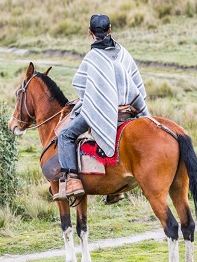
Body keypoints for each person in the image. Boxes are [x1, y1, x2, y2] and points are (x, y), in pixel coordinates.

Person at [55, 14, 150, 202]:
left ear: (90, 33)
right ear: (110, 30)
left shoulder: (92, 58)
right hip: (128, 110)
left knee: (65, 135)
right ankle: (115, 189)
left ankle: (73, 180)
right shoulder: (123, 52)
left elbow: (81, 85)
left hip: (102, 111)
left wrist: (92, 100)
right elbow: (135, 81)